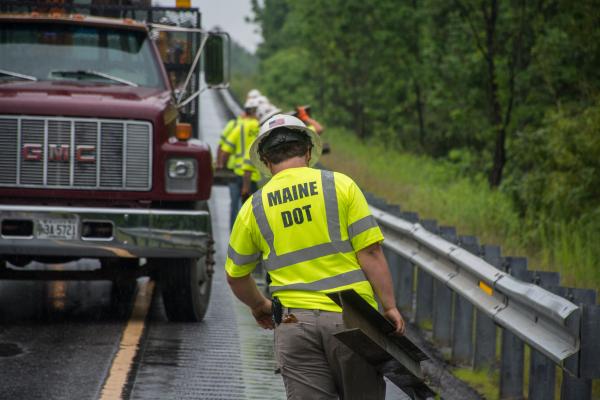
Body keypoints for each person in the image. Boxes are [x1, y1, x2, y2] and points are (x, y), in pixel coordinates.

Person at [224, 114, 405, 399]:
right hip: (352, 320)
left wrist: (259, 305)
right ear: (308, 152)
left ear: (266, 160)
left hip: (294, 325)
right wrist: (389, 306)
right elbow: (370, 251)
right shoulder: (341, 186)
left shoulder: (254, 207)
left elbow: (236, 276)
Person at [216, 96, 260, 228]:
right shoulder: (261, 127)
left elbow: (224, 149)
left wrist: (221, 165)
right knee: (252, 209)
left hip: (237, 172)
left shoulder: (239, 126)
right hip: (253, 174)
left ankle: (234, 234)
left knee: (235, 205)